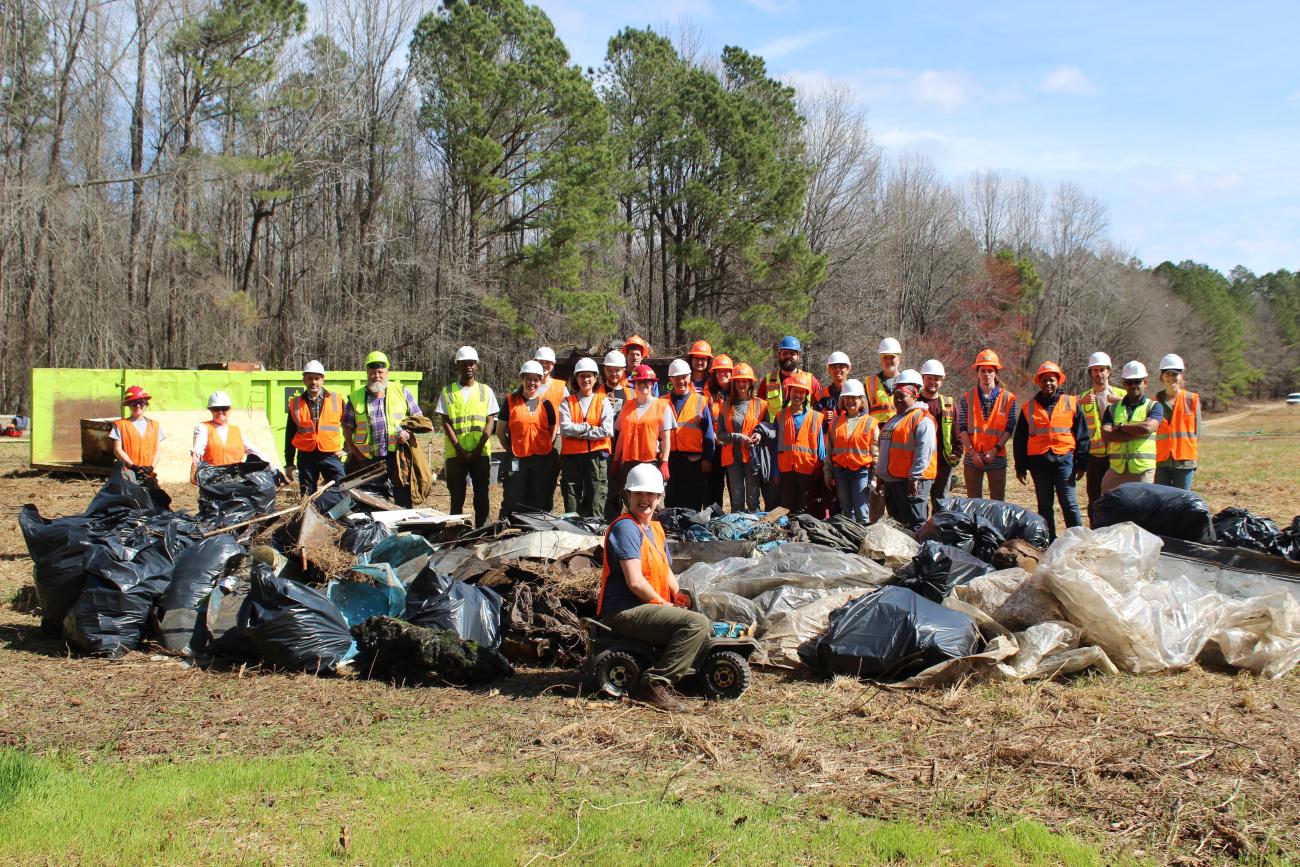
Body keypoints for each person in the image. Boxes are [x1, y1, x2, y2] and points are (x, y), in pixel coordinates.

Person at [597, 463, 710, 712]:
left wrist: (679, 595)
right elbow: (635, 581)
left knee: (698, 616)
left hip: (647, 605)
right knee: (696, 624)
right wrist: (664, 604)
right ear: (628, 496)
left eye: (651, 495)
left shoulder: (654, 528)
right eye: (639, 494)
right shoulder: (626, 528)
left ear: (659, 498)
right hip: (626, 610)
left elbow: (665, 569)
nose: (645, 500)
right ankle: (656, 684)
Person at [1013, 362, 1089, 541]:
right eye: (1044, 380)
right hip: (1039, 463)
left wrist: (1082, 464)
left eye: (1052, 380)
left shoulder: (1071, 403)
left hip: (1064, 461)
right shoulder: (1028, 407)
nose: (1048, 383)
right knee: (1045, 506)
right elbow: (1020, 440)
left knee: (1069, 503)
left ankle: (1077, 542)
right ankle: (1049, 541)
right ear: (1039, 382)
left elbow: (1082, 435)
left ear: (1058, 382)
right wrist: (1020, 468)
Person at [342, 350, 423, 508]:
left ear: (387, 372)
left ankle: (403, 530)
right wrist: (360, 457)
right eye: (373, 372)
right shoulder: (356, 397)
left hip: (398, 457)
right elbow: (347, 429)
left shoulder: (401, 391)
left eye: (380, 372)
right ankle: (377, 531)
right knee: (373, 502)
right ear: (367, 373)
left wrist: (407, 433)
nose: (377, 376)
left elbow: (418, 419)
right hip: (369, 461)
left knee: (402, 499)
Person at [435, 346, 498, 527]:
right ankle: (456, 530)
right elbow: (445, 422)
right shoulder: (447, 392)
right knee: (457, 496)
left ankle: (483, 529)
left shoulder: (486, 391)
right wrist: (458, 448)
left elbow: (490, 422)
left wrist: (479, 448)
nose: (468, 367)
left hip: (481, 453)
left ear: (476, 366)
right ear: (458, 366)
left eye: (471, 363)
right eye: (464, 364)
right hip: (456, 454)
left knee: (481, 495)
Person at [874, 369, 936, 530]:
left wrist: (914, 478)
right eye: (896, 396)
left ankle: (918, 553)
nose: (898, 400)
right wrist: (881, 476)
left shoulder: (922, 419)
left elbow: (924, 451)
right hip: (893, 481)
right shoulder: (894, 420)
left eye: (903, 396)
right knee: (898, 524)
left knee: (915, 523)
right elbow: (884, 450)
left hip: (912, 482)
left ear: (915, 395)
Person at [498, 360, 559, 517]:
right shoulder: (510, 401)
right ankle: (508, 524)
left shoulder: (546, 404)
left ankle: (536, 526)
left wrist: (545, 446)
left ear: (540, 381)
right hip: (517, 458)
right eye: (529, 379)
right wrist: (511, 448)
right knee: (513, 493)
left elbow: (553, 430)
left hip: (541, 459)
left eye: (536, 379)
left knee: (538, 494)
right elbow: (500, 431)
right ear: (522, 379)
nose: (532, 383)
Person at [958, 349, 1017, 501]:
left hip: (997, 456)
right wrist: (972, 453)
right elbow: (962, 427)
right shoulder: (967, 398)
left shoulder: (1008, 398)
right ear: (977, 373)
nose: (987, 374)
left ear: (995, 373)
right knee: (974, 502)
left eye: (990, 370)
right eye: (983, 370)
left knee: (997, 503)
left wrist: (995, 450)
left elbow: (1009, 428)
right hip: (972, 457)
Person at [559, 357, 615, 517]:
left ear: (596, 377)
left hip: (596, 458)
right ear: (576, 378)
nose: (586, 379)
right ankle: (572, 530)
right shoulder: (566, 402)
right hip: (572, 458)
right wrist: (588, 428)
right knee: (571, 498)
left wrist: (579, 434)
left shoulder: (603, 401)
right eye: (582, 376)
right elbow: (565, 429)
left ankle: (594, 532)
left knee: (596, 498)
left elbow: (607, 430)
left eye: (589, 375)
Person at [1100, 361, 1164, 495]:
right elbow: (1106, 435)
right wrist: (1138, 430)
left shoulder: (1153, 406)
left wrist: (1119, 427)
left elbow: (1147, 428)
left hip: (1142, 471)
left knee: (1141, 512)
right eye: (1129, 382)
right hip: (1117, 470)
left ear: (1145, 383)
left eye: (1137, 381)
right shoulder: (1112, 409)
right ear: (1124, 384)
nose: (1133, 385)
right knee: (1110, 508)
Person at [284, 361, 346, 498]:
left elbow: (349, 426)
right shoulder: (295, 404)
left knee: (341, 489)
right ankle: (311, 518)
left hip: (331, 455)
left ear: (323, 379)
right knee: (307, 495)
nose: (313, 382)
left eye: (317, 378)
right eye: (310, 378)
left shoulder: (337, 400)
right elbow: (290, 434)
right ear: (304, 380)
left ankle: (337, 518)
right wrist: (289, 462)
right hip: (306, 456)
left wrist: (346, 448)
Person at [192, 390, 280, 484]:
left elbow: (253, 450)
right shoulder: (203, 428)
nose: (220, 412)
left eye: (224, 408)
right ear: (210, 410)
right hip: (212, 481)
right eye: (216, 409)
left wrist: (273, 469)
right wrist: (195, 462)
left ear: (229, 409)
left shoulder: (237, 431)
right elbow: (199, 448)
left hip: (234, 480)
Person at [611, 364, 674, 494]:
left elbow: (667, 438)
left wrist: (665, 462)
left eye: (646, 382)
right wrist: (616, 460)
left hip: (652, 462)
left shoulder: (662, 406)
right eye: (639, 382)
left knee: (652, 500)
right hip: (628, 463)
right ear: (634, 385)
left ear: (652, 384)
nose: (643, 385)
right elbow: (622, 437)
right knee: (631, 500)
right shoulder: (627, 407)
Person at [662, 358, 715, 510]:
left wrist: (707, 459)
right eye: (677, 378)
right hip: (670, 460)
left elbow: (708, 435)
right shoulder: (662, 402)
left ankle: (690, 530)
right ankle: (672, 532)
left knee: (692, 500)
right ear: (671, 379)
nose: (681, 381)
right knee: (671, 499)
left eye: (684, 377)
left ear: (689, 377)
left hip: (693, 461)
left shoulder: (701, 401)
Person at [1079, 351, 1125, 525]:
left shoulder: (1121, 395)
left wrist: (1121, 401)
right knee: (1094, 497)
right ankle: (1095, 529)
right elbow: (1064, 407)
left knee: (1116, 496)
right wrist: (1079, 403)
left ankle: (1114, 529)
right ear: (1091, 373)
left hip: (1115, 455)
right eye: (1095, 370)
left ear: (1109, 371)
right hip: (1094, 456)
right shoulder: (1083, 398)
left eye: (1102, 370)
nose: (1098, 374)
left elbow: (1140, 407)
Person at [824, 378, 876, 523]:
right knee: (846, 511)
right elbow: (830, 451)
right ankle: (850, 542)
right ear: (842, 400)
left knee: (861, 511)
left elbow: (876, 453)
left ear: (861, 400)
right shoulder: (835, 422)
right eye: (847, 397)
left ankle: (863, 541)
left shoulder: (870, 422)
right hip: (840, 473)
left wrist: (875, 476)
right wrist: (827, 472)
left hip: (861, 473)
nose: (850, 401)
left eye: (854, 398)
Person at [774, 370, 824, 513]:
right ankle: (789, 534)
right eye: (795, 391)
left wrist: (820, 470)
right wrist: (776, 470)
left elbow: (820, 447)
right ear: (789, 392)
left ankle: (802, 534)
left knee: (805, 507)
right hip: (786, 470)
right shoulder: (780, 416)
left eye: (802, 392)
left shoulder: (815, 417)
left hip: (808, 469)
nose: (798, 395)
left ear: (806, 394)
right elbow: (774, 446)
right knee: (787, 507)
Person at [717, 362, 763, 512]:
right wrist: (737, 437)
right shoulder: (725, 405)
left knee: (753, 498)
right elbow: (720, 435)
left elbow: (767, 429)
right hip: (732, 458)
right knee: (736, 499)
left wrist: (758, 435)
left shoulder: (761, 405)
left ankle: (754, 530)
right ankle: (738, 528)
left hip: (752, 456)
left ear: (751, 383)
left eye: (745, 381)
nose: (741, 384)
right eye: (738, 381)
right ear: (734, 383)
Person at [865, 338, 901, 521]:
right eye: (885, 357)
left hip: (901, 445)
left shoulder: (907, 381)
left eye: (892, 357)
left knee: (898, 489)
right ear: (880, 359)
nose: (889, 361)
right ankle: (874, 527)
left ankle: (899, 525)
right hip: (878, 445)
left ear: (899, 359)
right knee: (876, 487)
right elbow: (864, 416)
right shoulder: (870, 383)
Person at [918, 359, 961, 513]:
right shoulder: (915, 402)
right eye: (929, 378)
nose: (933, 382)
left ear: (941, 381)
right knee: (919, 499)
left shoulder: (948, 403)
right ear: (923, 379)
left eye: (936, 379)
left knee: (941, 500)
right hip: (921, 462)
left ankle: (940, 531)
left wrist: (958, 452)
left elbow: (956, 428)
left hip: (943, 461)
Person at [1154, 353, 1201, 491]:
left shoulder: (1191, 399)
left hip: (1185, 461)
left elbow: (1197, 432)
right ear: (1162, 376)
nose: (1171, 378)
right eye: (1167, 374)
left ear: (1181, 376)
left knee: (1183, 501)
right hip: (1161, 461)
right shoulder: (1155, 401)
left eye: (1175, 374)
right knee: (1163, 502)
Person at [598, 349, 634, 519]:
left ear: (623, 371)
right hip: (604, 450)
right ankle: (608, 525)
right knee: (608, 493)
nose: (613, 373)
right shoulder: (596, 393)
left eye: (617, 370)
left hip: (627, 451)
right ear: (604, 370)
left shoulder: (632, 393)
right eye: (610, 370)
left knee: (629, 492)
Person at [759, 336, 822, 422]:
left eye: (792, 353)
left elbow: (819, 410)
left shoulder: (810, 380)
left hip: (801, 431)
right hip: (773, 432)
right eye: (785, 353)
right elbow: (758, 410)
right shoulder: (768, 380)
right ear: (779, 355)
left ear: (798, 356)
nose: (788, 356)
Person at [704, 354, 734, 509]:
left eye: (726, 371)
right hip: (714, 446)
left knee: (735, 487)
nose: (723, 374)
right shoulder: (708, 393)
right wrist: (711, 434)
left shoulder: (738, 393)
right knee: (713, 487)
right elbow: (705, 417)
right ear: (714, 374)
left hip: (732, 445)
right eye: (719, 371)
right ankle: (713, 520)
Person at [111, 385, 163, 473]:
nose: (138, 406)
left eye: (141, 402)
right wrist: (132, 466)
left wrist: (151, 467)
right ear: (128, 405)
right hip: (128, 473)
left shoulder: (155, 426)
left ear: (146, 404)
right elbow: (117, 449)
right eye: (134, 403)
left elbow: (158, 450)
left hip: (148, 474)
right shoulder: (120, 425)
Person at [533, 346, 568, 415]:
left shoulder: (561, 388)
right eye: (541, 362)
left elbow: (568, 413)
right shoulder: (527, 386)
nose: (544, 365)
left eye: (548, 362)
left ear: (553, 364)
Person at [818, 351, 852, 417]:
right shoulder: (820, 395)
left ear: (848, 369)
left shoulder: (857, 392)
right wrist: (821, 415)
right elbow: (813, 418)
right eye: (834, 367)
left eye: (841, 367)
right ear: (829, 370)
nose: (838, 370)